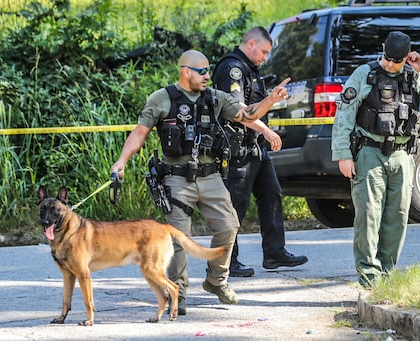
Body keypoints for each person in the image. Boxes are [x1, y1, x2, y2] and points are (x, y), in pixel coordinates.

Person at [111, 49, 290, 314]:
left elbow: (248, 115)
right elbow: (139, 133)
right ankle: (178, 293)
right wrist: (121, 161)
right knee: (178, 238)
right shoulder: (162, 99)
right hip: (176, 178)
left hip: (210, 175)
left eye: (208, 70)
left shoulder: (215, 98)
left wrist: (270, 100)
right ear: (185, 71)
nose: (208, 75)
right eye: (202, 71)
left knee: (229, 227)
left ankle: (216, 281)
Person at [331, 31, 420, 288]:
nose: (391, 65)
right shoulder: (365, 74)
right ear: (383, 48)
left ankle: (386, 275)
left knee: (397, 216)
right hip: (369, 151)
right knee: (368, 215)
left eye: (397, 61)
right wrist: (343, 155)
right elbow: (344, 115)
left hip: (402, 154)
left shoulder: (413, 76)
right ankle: (369, 276)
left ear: (407, 57)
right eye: (388, 59)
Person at [212, 26, 308, 277]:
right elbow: (237, 110)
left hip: (254, 147)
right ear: (251, 43)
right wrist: (266, 130)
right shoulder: (231, 68)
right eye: (264, 51)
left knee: (272, 194)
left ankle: (274, 253)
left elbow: (255, 106)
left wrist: (273, 100)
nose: (265, 57)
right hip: (236, 150)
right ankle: (225, 262)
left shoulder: (251, 69)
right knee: (235, 205)